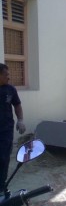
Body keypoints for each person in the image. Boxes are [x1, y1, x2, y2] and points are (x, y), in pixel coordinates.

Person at [0, 63, 26, 193]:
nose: (8, 77)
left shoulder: (10, 89)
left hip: (6, 130)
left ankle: (1, 185)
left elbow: (17, 105)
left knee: (4, 157)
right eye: (6, 75)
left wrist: (20, 120)